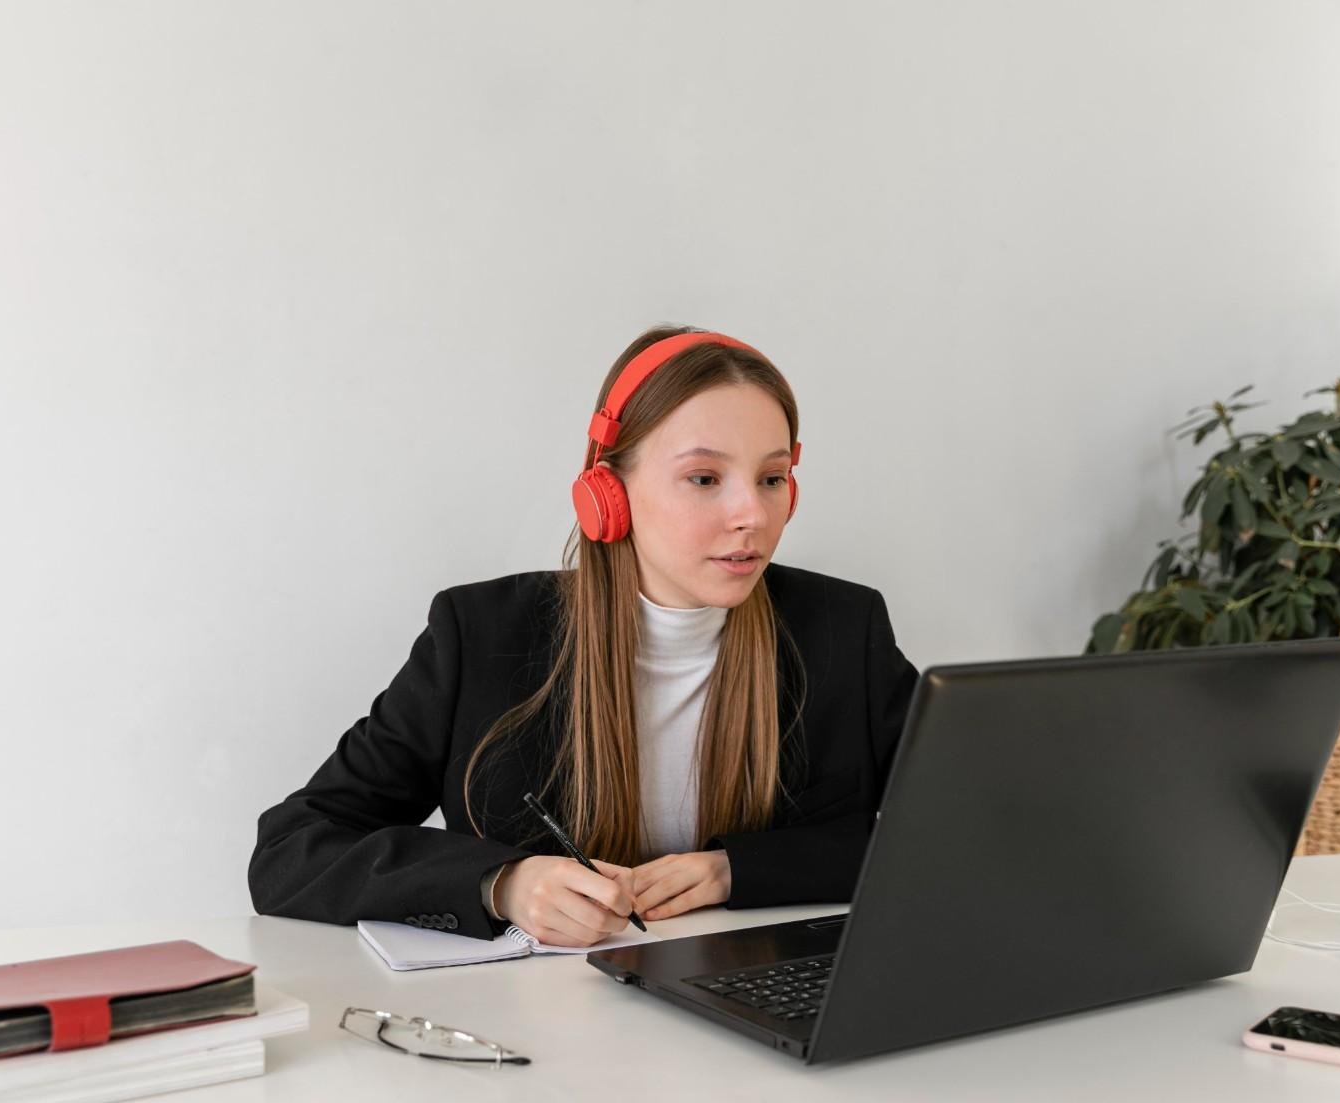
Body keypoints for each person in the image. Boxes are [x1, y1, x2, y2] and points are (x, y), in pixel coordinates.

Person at [247, 324, 919, 947]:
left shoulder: (844, 630)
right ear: (608, 492)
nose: (752, 513)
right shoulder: (477, 635)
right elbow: (291, 850)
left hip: (755, 1017)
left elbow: (968, 832)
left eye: (773, 478)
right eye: (705, 478)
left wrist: (739, 871)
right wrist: (501, 883)